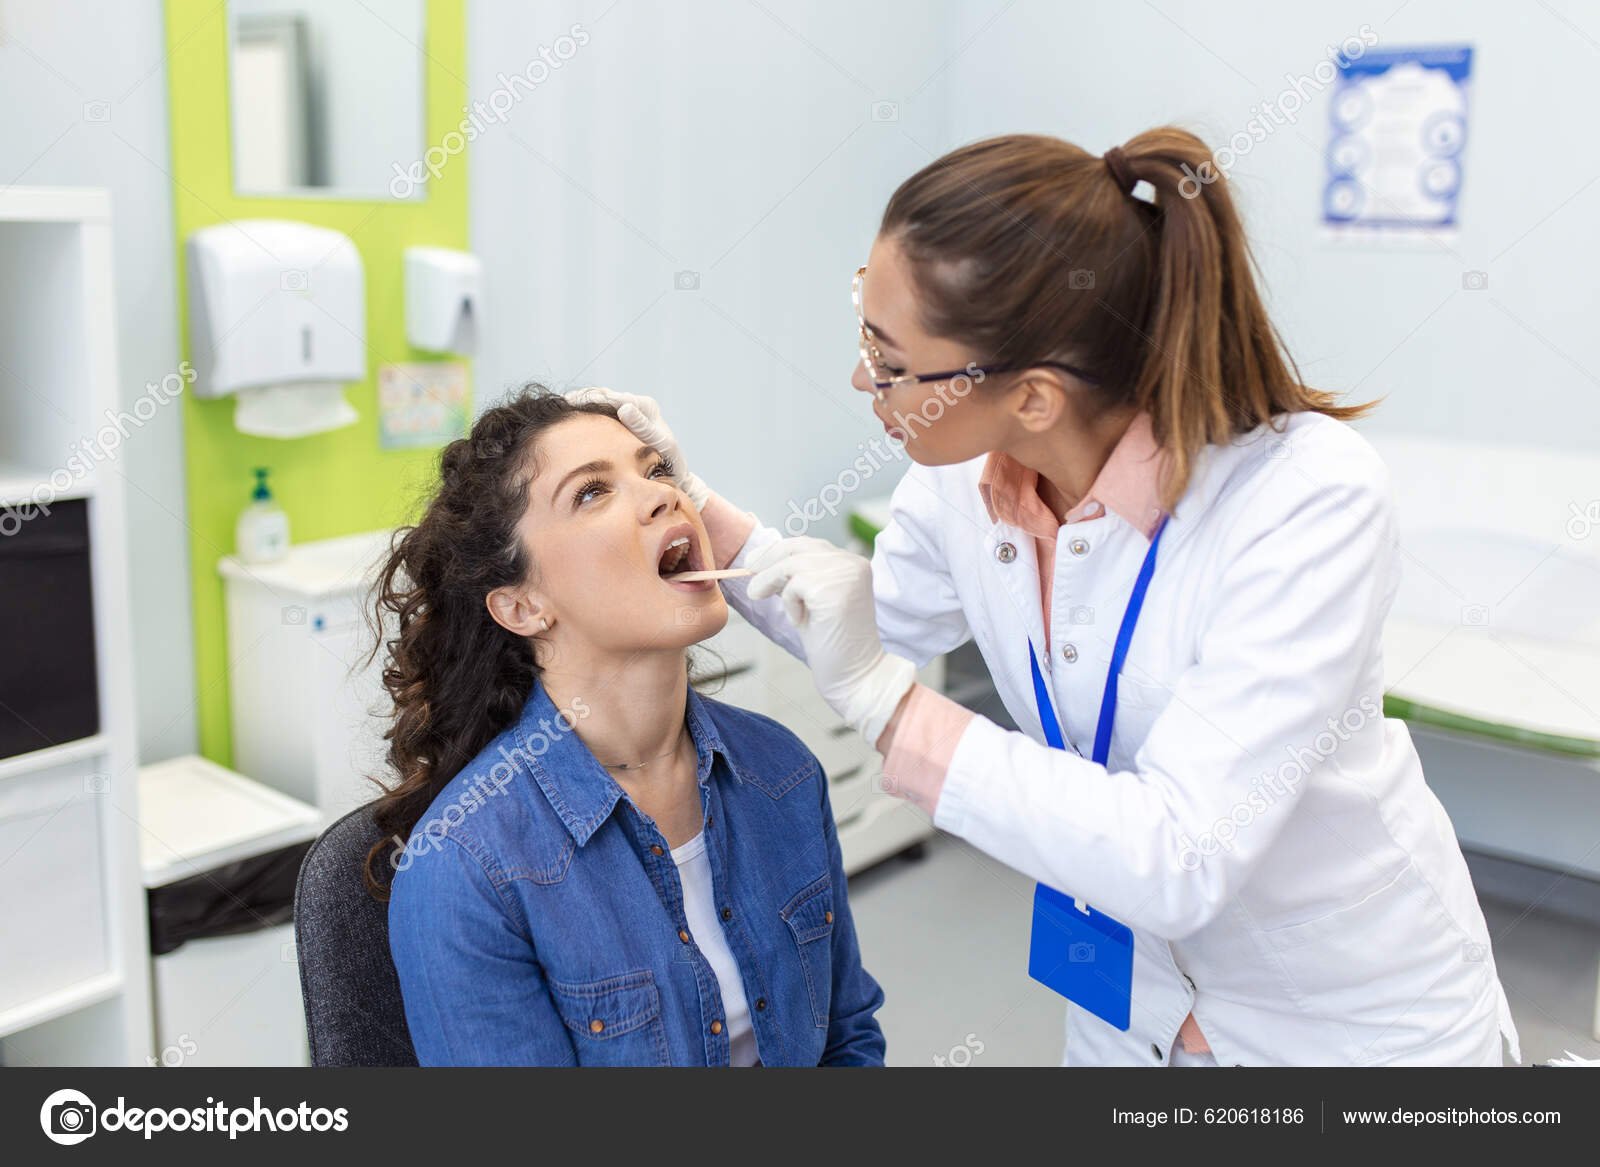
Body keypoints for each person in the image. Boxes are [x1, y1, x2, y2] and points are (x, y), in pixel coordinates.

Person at [572, 129, 1520, 1067]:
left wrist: (889, 707)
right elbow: (871, 620)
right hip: (1127, 1005)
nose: (864, 378)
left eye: (891, 361)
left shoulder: (1304, 498)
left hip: (1346, 1025)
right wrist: (701, 512)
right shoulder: (964, 478)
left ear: (1032, 397)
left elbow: (1181, 855)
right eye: (865, 325)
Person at [374, 389, 884, 1066]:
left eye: (657, 470)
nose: (663, 496)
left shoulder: (782, 769)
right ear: (522, 605)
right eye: (591, 492)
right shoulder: (463, 870)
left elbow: (848, 1035)